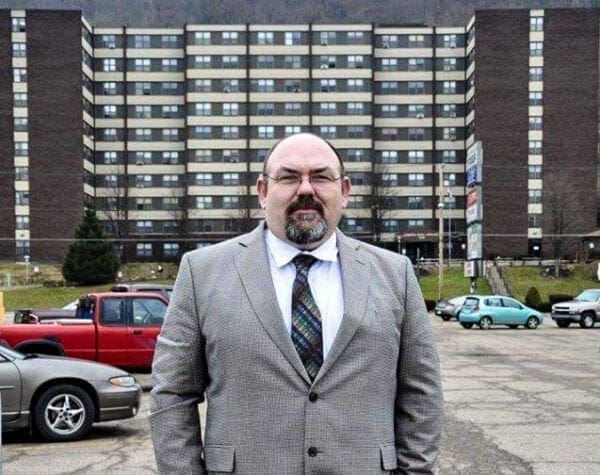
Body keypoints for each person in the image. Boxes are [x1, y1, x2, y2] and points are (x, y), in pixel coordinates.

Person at [149, 133, 443, 474]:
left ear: (344, 191)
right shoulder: (203, 273)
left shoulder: (395, 274)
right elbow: (172, 394)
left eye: (320, 176)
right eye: (289, 177)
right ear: (263, 191)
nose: (306, 189)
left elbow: (421, 393)